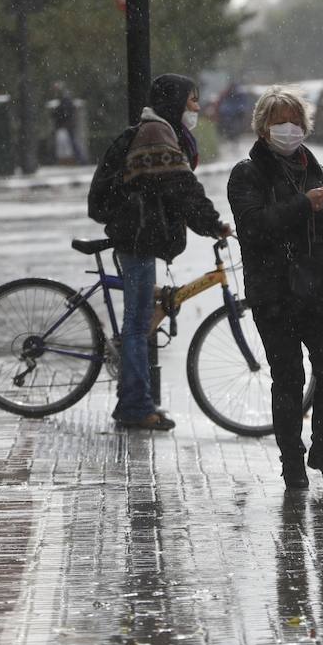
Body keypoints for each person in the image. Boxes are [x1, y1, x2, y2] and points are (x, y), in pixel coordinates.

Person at [227, 86, 323, 488]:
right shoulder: (247, 173)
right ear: (262, 128)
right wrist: (302, 204)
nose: (287, 129)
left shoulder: (317, 170)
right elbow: (254, 225)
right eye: (278, 122)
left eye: (294, 121)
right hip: (274, 293)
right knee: (288, 377)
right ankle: (292, 459)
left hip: (318, 288)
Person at [90, 73, 230, 431]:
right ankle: (136, 407)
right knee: (137, 325)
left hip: (141, 236)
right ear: (176, 102)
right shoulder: (156, 132)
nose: (197, 108)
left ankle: (132, 398)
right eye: (192, 101)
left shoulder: (163, 129)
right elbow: (181, 186)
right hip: (136, 237)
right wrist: (213, 223)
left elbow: (175, 187)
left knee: (140, 318)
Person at [51, 82, 86, 164]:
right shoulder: (64, 98)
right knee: (71, 142)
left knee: (71, 142)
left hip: (66, 124)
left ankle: (81, 159)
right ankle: (81, 159)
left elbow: (64, 111)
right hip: (66, 123)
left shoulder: (64, 99)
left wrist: (57, 114)